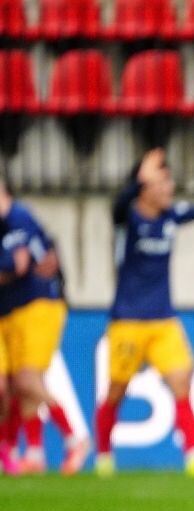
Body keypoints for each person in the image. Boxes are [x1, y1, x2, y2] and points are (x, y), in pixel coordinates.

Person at [93, 148, 194, 478]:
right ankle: (104, 456)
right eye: (163, 183)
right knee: (116, 391)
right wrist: (139, 178)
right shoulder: (129, 219)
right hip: (128, 321)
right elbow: (117, 206)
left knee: (182, 378)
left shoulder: (169, 217)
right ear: (146, 188)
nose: (170, 189)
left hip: (163, 319)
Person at [0, 176, 89, 475]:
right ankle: (34, 453)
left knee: (26, 380)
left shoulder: (17, 217)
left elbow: (20, 265)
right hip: (13, 310)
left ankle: (74, 438)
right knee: (18, 384)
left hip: (38, 306)